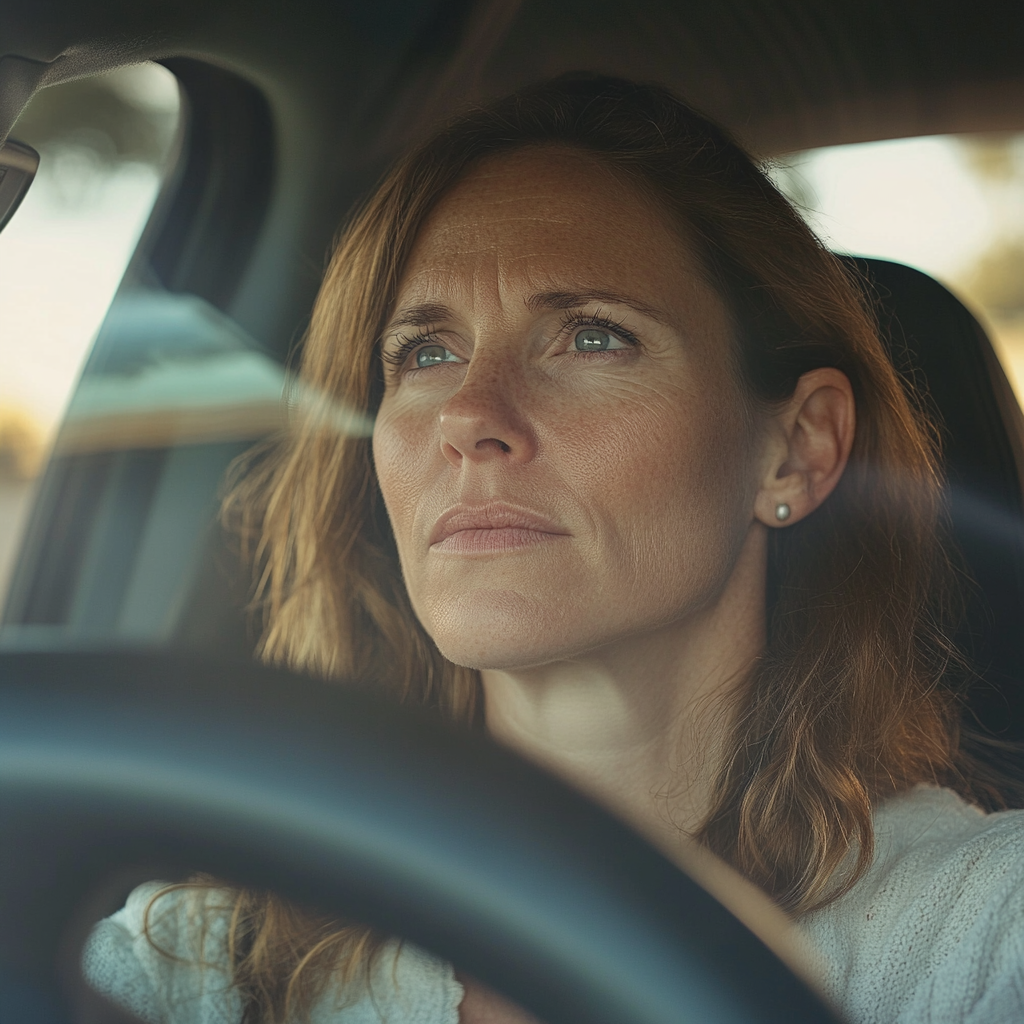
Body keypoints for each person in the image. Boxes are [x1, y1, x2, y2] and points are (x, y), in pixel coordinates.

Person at [83, 74, 1024, 1024]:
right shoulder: (199, 968)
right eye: (425, 353)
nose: (467, 415)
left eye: (591, 337)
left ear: (797, 449)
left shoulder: (987, 936)